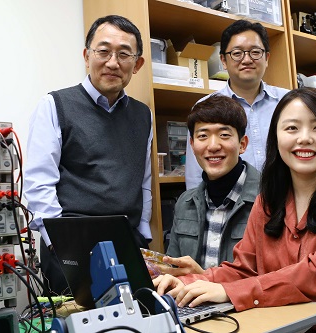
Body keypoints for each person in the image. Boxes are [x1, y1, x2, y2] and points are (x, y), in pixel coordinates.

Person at [154, 87, 316, 332]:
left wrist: (229, 291)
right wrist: (186, 283)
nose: (304, 138)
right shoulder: (267, 201)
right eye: (291, 128)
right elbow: (244, 268)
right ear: (276, 139)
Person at [23, 15, 153, 295]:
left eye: (124, 54)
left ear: (137, 64)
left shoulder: (144, 115)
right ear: (87, 56)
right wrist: (60, 244)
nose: (112, 62)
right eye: (103, 51)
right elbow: (38, 185)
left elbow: (143, 180)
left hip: (127, 242)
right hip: (71, 244)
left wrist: (143, 234)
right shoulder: (55, 105)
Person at [162, 95, 260, 277]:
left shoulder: (269, 198)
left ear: (242, 144)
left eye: (224, 135)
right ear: (192, 145)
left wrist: (208, 280)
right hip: (192, 304)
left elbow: (274, 278)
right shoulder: (185, 202)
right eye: (203, 136)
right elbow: (174, 270)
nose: (213, 146)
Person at [185, 20, 289, 189]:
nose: (247, 59)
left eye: (255, 52)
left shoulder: (289, 102)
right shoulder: (206, 107)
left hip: (287, 202)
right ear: (223, 61)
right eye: (237, 53)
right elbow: (195, 175)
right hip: (230, 207)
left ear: (267, 58)